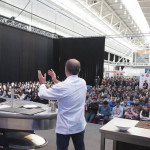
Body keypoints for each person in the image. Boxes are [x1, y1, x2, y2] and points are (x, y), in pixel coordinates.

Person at [38, 59, 86, 150]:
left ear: (66, 69)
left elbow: (42, 94)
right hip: (79, 124)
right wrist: (55, 79)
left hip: (65, 127)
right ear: (79, 70)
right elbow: (68, 87)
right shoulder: (83, 82)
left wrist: (42, 83)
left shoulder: (63, 86)